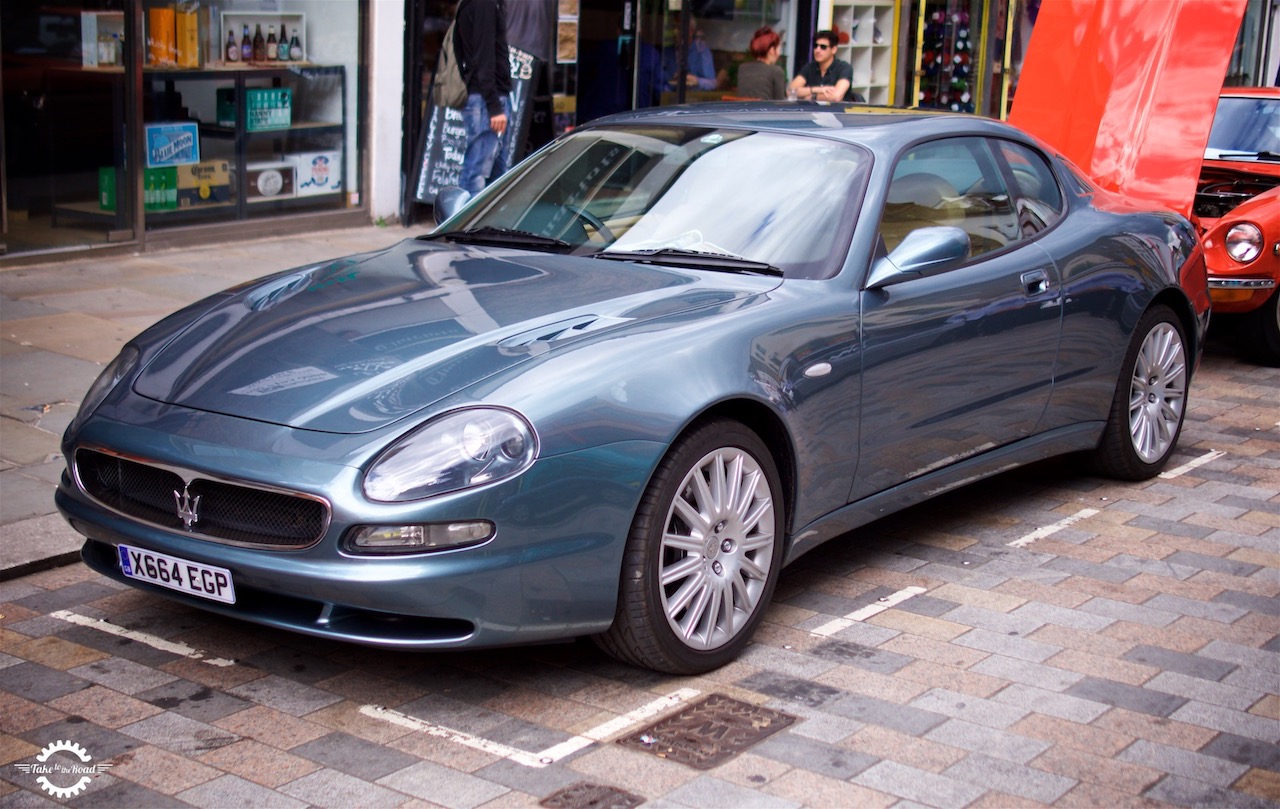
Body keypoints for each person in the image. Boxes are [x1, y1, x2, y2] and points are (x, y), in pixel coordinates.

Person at [455, 0, 512, 196]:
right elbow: (483, 58)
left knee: (497, 175)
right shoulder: (483, 4)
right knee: (477, 173)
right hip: (488, 101)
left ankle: (490, 225)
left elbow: (461, 51)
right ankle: (465, 225)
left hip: (487, 98)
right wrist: (495, 107)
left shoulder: (475, 4)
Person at [789, 29, 854, 102]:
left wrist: (812, 97)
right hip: (812, 111)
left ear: (834, 50)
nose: (817, 50)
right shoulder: (810, 67)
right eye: (815, 46)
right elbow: (790, 91)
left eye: (823, 47)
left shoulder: (844, 68)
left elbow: (836, 96)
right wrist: (816, 90)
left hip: (836, 111)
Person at [735, 26, 786, 100]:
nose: (779, 53)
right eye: (779, 49)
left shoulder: (742, 68)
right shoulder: (776, 71)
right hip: (765, 111)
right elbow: (780, 103)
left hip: (743, 111)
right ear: (772, 50)